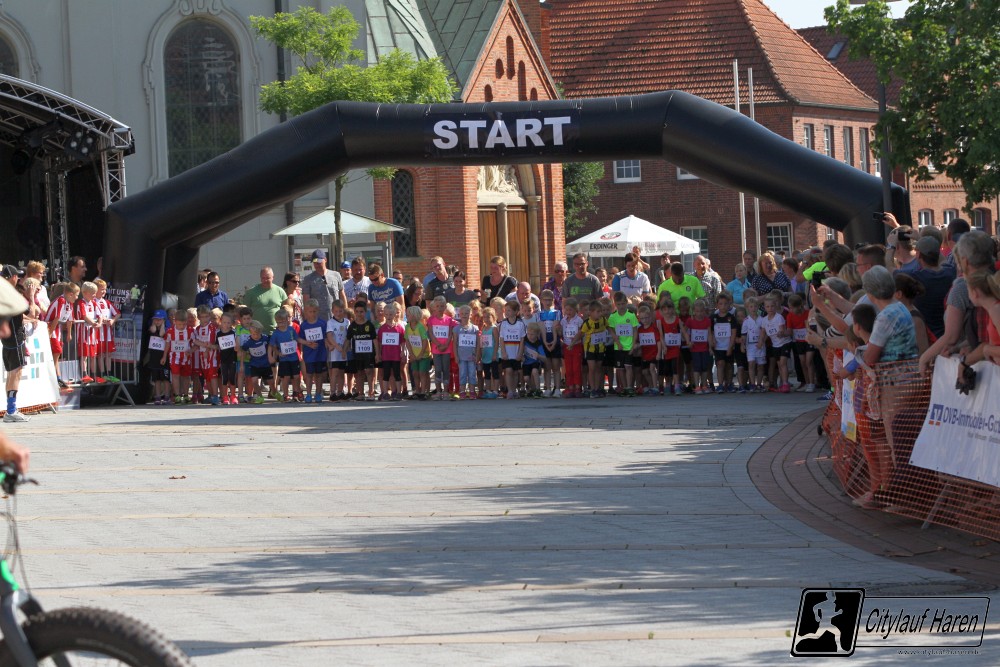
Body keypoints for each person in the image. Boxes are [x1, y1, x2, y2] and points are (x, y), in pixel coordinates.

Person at [920, 231, 996, 373]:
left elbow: (951, 336)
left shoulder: (963, 287)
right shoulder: (994, 278)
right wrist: (966, 346)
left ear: (965, 261)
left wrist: (924, 358)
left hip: (985, 371)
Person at [861, 266, 919, 366]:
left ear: (870, 294)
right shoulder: (900, 306)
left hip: (896, 373)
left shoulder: (885, 317)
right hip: (909, 370)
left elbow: (870, 358)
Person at [910, 235, 956, 338]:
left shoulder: (915, 278)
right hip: (948, 334)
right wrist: (929, 245)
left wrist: (892, 247)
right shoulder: (950, 272)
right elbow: (943, 260)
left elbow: (890, 268)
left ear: (918, 255)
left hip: (928, 337)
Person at [1, 271, 29, 422]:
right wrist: (31, 296)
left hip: (7, 342)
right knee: (15, 374)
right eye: (17, 276)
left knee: (12, 374)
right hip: (15, 340)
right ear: (12, 277)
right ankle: (11, 410)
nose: (18, 278)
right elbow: (30, 310)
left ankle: (10, 409)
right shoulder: (11, 294)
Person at [760, 293, 792, 392]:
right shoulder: (764, 320)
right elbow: (763, 333)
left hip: (785, 343)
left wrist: (781, 333)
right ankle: (782, 383)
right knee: (779, 365)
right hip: (775, 345)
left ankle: (785, 383)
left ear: (776, 306)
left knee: (783, 363)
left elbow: (782, 329)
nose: (770, 308)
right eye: (768, 306)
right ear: (765, 307)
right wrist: (761, 342)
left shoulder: (779, 317)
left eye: (772, 306)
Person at [301, 249, 346, 319]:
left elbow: (342, 295)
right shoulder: (308, 279)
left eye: (319, 262)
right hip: (317, 319)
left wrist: (345, 313)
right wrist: (308, 318)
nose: (317, 264)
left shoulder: (336, 275)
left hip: (336, 316)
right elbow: (306, 300)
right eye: (315, 262)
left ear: (325, 260)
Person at [966, 272, 1000, 364]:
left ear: (974, 293)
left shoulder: (996, 310)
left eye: (968, 291)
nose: (968, 296)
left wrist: (988, 349)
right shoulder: (992, 310)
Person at [242, 267, 287, 335]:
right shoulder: (251, 292)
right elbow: (244, 311)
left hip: (277, 332)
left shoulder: (280, 291)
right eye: (263, 278)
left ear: (273, 277)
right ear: (260, 278)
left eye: (268, 278)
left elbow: (286, 311)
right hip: (256, 333)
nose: (265, 280)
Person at [376, 303, 406, 400]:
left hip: (396, 355)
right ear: (384, 315)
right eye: (387, 314)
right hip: (386, 355)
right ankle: (385, 392)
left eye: (390, 314)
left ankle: (398, 392)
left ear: (395, 314)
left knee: (397, 374)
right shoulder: (382, 328)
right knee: (386, 374)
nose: (388, 316)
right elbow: (379, 342)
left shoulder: (399, 328)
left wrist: (403, 352)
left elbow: (403, 341)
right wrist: (378, 354)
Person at [163, 309, 194, 404]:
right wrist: (164, 356)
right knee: (175, 375)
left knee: (186, 376)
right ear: (174, 321)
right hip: (174, 357)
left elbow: (195, 344)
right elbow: (167, 344)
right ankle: (177, 395)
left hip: (186, 358)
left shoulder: (190, 330)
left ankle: (186, 395)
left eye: (184, 324)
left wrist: (191, 351)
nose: (181, 326)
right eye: (179, 324)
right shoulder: (170, 331)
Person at [580, 301, 609, 398]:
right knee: (591, 369)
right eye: (598, 312)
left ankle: (597, 388)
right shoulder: (587, 323)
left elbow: (609, 328)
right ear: (591, 312)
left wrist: (616, 340)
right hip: (590, 349)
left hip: (600, 348)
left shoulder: (603, 320)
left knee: (598, 369)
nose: (600, 313)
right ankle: (592, 389)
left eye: (601, 311)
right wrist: (572, 343)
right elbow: (580, 333)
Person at [711, 291, 738, 393]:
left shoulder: (732, 318)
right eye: (721, 304)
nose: (723, 306)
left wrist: (730, 346)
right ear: (717, 305)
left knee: (729, 365)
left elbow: (733, 333)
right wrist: (713, 340)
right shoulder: (713, 317)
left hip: (728, 345)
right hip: (718, 346)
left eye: (725, 304)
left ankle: (729, 383)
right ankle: (720, 385)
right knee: (720, 363)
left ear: (729, 304)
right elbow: (711, 331)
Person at [451, 304, 480, 400]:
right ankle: (462, 391)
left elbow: (478, 343)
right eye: (462, 313)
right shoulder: (456, 329)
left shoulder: (475, 328)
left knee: (472, 374)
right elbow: (454, 344)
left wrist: (477, 355)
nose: (464, 315)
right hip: (461, 357)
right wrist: (456, 356)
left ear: (470, 315)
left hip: (472, 356)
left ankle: (472, 391)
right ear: (459, 314)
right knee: (462, 374)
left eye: (466, 313)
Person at [93, 279, 120, 382]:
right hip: (98, 334)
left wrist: (112, 320)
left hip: (107, 334)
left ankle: (109, 374)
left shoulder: (107, 302)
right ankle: (102, 375)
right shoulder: (92, 302)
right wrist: (100, 320)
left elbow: (118, 314)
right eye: (102, 289)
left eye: (105, 289)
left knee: (108, 354)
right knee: (100, 354)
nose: (104, 291)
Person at [75, 282, 101, 383]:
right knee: (84, 355)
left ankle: (94, 375)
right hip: (83, 334)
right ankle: (84, 374)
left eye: (95, 293)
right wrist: (94, 323)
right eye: (92, 293)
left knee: (93, 355)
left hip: (92, 334)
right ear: (85, 293)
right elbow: (84, 316)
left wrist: (99, 323)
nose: (94, 295)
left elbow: (100, 315)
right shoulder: (81, 303)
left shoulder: (94, 303)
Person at [325, 301, 351, 401]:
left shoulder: (346, 322)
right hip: (335, 352)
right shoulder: (330, 322)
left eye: (340, 311)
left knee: (342, 372)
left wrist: (344, 349)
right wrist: (336, 346)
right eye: (336, 311)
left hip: (343, 351)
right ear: (332, 311)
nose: (338, 313)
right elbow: (329, 335)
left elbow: (348, 337)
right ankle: (332, 393)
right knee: (334, 372)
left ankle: (340, 392)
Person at [241, 320, 271, 404]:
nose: (256, 336)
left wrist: (272, 356)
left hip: (265, 364)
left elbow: (272, 345)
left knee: (271, 382)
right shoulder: (248, 342)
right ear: (250, 333)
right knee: (254, 381)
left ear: (260, 332)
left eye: (257, 334)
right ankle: (260, 396)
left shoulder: (265, 338)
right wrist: (242, 364)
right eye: (253, 334)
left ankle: (274, 391)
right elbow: (243, 351)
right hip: (254, 364)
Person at [215, 312, 239, 405]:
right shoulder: (218, 333)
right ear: (221, 322)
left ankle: (233, 396)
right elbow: (217, 346)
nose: (226, 324)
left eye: (228, 322)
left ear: (232, 323)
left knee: (232, 378)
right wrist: (208, 346)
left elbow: (237, 346)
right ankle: (225, 396)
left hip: (232, 358)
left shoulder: (234, 333)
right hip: (223, 359)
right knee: (224, 378)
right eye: (224, 322)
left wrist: (237, 345)